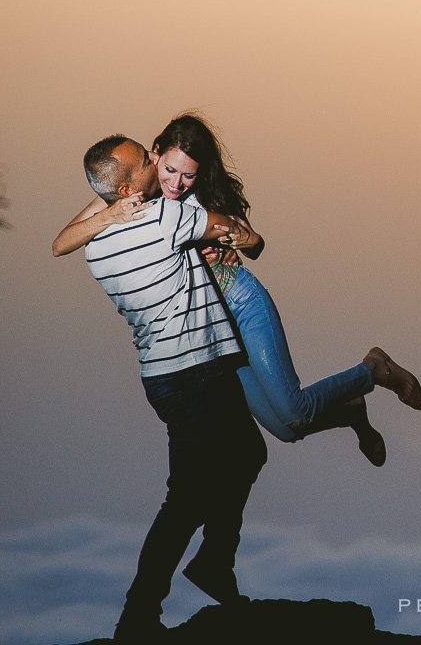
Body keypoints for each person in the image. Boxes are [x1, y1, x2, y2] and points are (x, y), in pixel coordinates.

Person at [54, 114, 421, 469]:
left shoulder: (196, 200)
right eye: (169, 170)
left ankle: (374, 369)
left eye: (189, 176)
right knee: (285, 429)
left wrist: (243, 240)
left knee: (293, 408)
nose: (177, 183)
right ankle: (351, 411)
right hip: (212, 335)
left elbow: (253, 243)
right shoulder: (132, 190)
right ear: (154, 155)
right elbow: (61, 243)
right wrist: (109, 215)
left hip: (242, 305)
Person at [80, 135, 267, 640]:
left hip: (161, 379)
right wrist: (234, 235)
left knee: (240, 457)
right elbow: (236, 234)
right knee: (189, 495)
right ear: (126, 186)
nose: (156, 163)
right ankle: (146, 609)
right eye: (146, 161)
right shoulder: (163, 217)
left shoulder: (93, 245)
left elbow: (78, 229)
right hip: (199, 370)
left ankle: (203, 568)